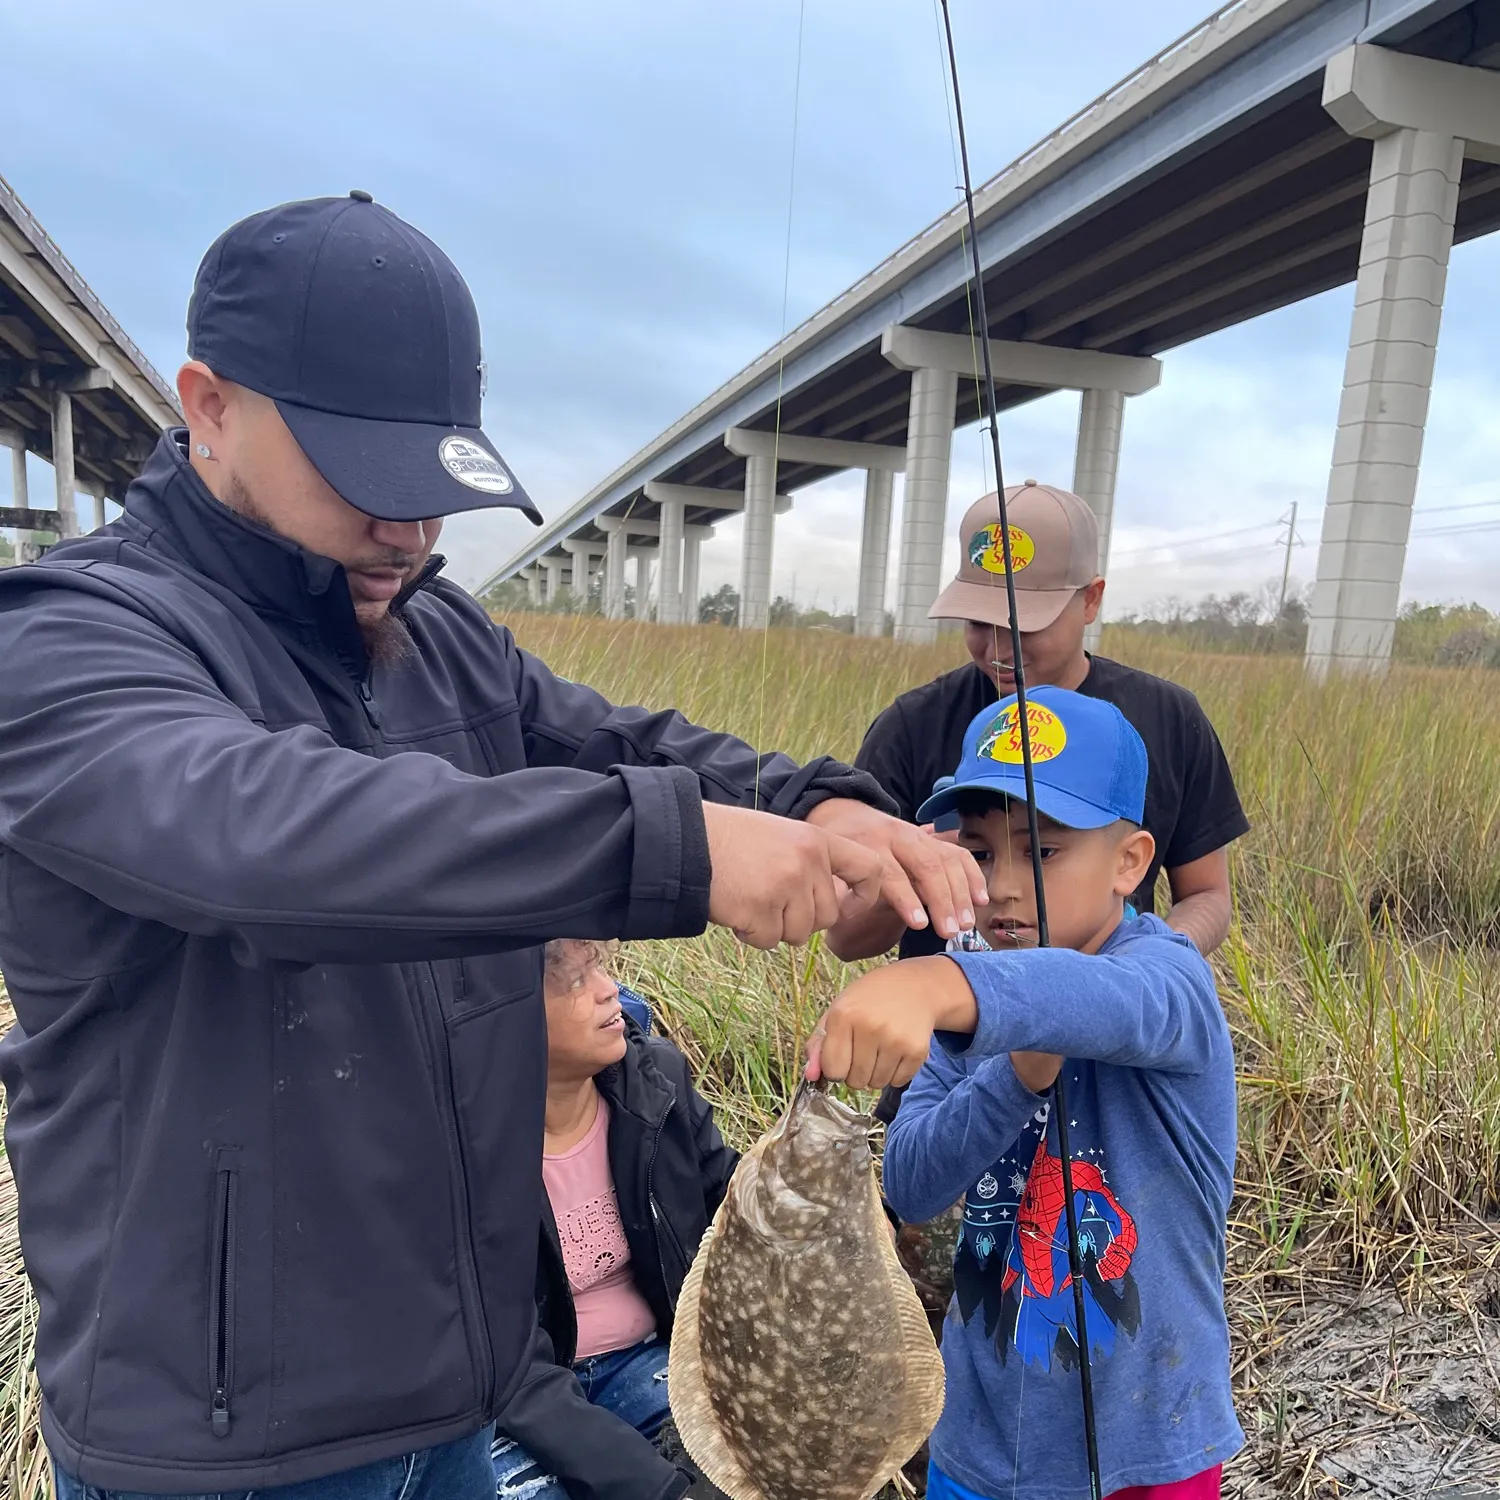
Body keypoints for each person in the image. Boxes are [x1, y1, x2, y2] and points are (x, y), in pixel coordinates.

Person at [0, 194, 985, 1500]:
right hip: (225, 1448)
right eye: (364, 480)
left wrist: (825, 807)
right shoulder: (71, 642)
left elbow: (611, 743)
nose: (407, 536)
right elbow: (270, 839)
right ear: (212, 405)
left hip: (460, 1395)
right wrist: (684, 850)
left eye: (433, 491)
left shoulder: (437, 632)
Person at [807, 687, 1242, 1500]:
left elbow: (1095, 1002)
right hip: (980, 1446)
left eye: (1041, 853)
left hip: (1153, 1442)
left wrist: (939, 977)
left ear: (1130, 861)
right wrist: (1014, 1074)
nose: (1001, 886)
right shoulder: (969, 1011)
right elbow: (910, 1180)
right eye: (979, 852)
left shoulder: (1169, 980)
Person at [836, 481, 1248, 970]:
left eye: (1024, 625)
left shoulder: (1170, 718)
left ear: (1091, 600)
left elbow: (1207, 894)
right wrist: (912, 868)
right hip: (953, 1029)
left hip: (1109, 1028)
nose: (997, 650)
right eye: (975, 622)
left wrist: (1147, 966)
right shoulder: (911, 725)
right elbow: (846, 937)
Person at [490, 937, 734, 1500]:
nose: (611, 993)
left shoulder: (659, 1087)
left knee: (736, 1469)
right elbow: (506, 1368)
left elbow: (737, 1214)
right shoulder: (466, 1148)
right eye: (576, 982)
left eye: (600, 967)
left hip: (648, 1359)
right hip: (514, 1399)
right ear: (508, 1014)